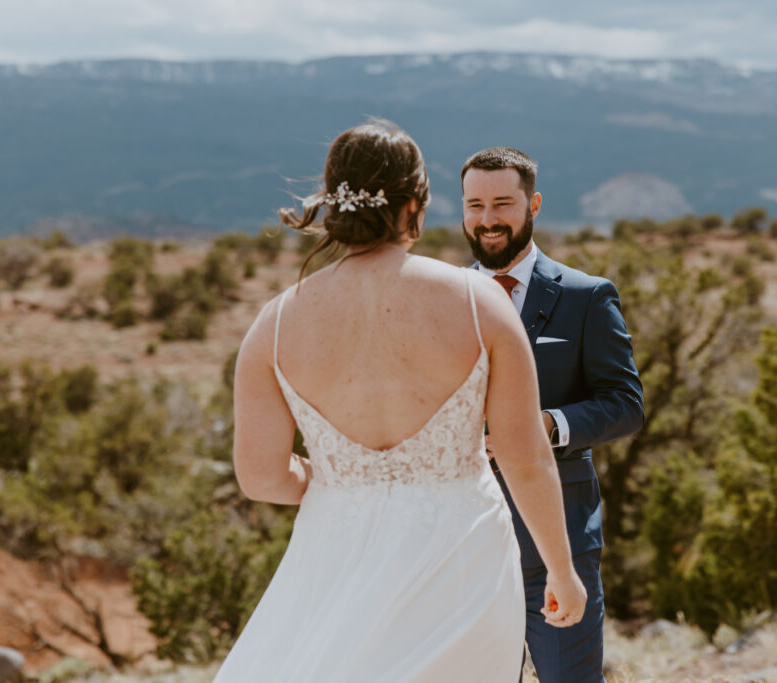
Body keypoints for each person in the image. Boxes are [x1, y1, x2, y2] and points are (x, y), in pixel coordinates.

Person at [213, 121, 586, 683]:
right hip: (463, 555)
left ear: (336, 205)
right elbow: (525, 456)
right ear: (415, 204)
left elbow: (261, 479)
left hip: (335, 553)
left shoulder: (276, 322)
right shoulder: (478, 302)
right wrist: (562, 569)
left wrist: (337, 479)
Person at [461, 147, 644, 683]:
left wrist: (547, 426)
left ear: (533, 204)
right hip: (462, 537)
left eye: (502, 203)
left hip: (558, 538)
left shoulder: (587, 297)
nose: (488, 219)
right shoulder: (442, 299)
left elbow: (625, 403)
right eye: (475, 205)